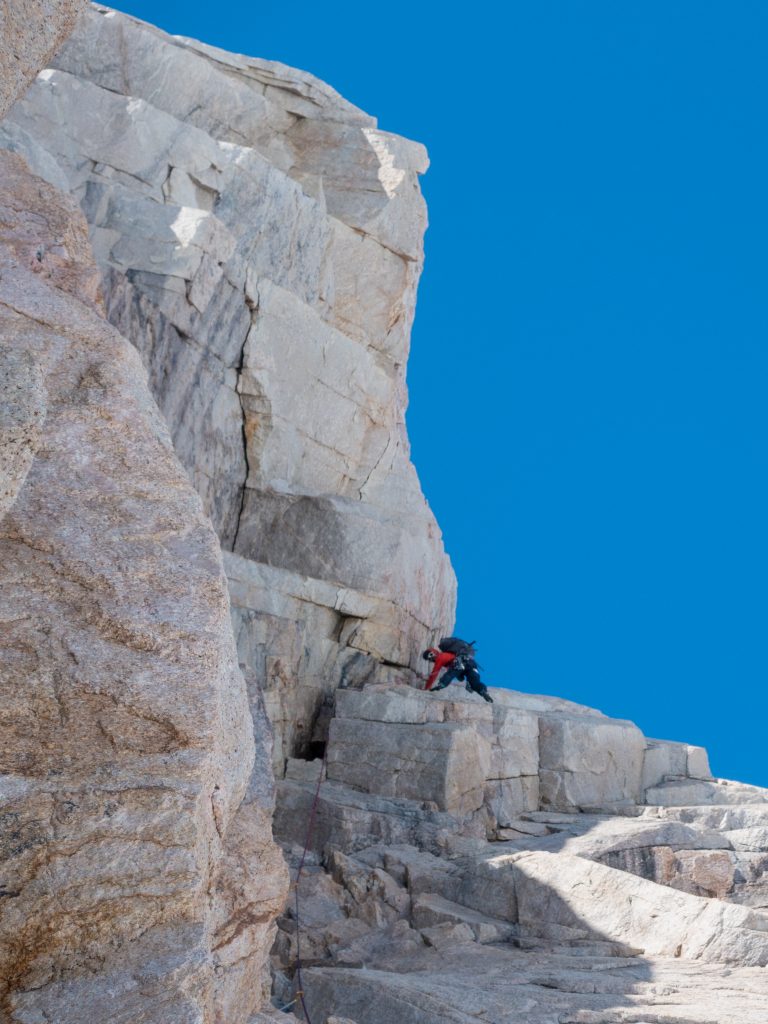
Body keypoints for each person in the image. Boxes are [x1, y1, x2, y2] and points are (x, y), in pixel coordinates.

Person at [422, 643, 493, 703]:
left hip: (459, 663)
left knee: (451, 673)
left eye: (431, 655)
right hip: (471, 664)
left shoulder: (440, 657)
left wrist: (427, 688)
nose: (432, 658)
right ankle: (483, 691)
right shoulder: (448, 655)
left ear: (434, 652)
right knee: (474, 682)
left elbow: (434, 674)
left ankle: (442, 684)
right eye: (430, 658)